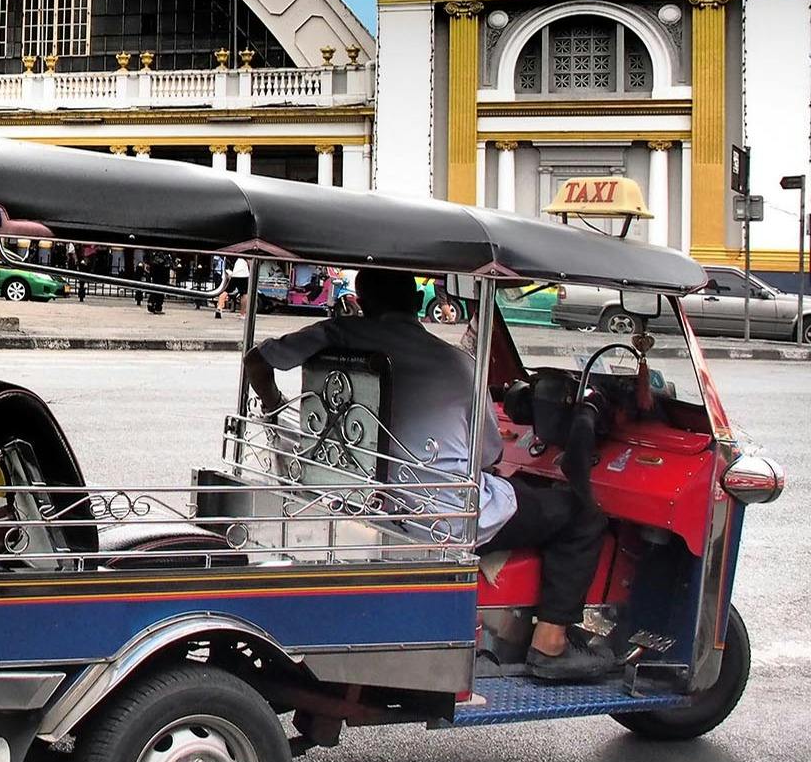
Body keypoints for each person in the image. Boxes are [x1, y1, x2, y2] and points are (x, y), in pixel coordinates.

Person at [242, 268, 614, 683]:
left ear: (362, 301)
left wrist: (273, 403)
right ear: (418, 304)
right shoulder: (457, 363)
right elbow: (489, 454)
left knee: (523, 497)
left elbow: (256, 360)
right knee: (581, 515)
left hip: (354, 502)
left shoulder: (339, 334)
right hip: (438, 517)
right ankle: (550, 643)